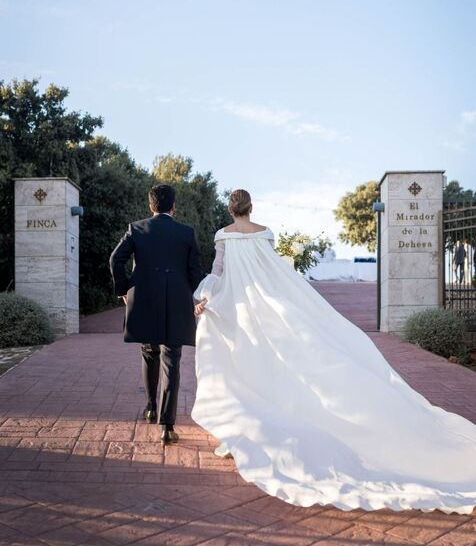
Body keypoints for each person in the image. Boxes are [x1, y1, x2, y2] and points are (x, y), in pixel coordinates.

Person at [192, 189, 476, 514]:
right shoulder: (265, 234)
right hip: (268, 308)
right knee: (271, 363)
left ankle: (244, 424)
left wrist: (205, 297)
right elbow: (274, 273)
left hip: (242, 309)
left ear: (231, 209)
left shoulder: (223, 236)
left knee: (244, 361)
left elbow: (218, 271)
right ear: (251, 207)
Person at [110, 184, 202, 445]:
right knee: (171, 359)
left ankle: (151, 407)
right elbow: (195, 273)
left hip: (144, 301)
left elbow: (115, 260)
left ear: (151, 206)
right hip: (176, 303)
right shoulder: (186, 233)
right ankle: (167, 426)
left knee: (149, 352)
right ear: (173, 206)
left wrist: (124, 289)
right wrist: (198, 295)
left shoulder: (136, 228)